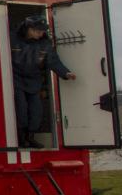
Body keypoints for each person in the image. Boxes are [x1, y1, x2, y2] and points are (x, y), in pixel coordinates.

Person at [11, 16, 75, 148]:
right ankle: (21, 138)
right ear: (29, 29)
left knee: (36, 111)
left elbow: (53, 60)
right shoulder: (12, 39)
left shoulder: (44, 43)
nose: (41, 33)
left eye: (43, 31)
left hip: (34, 81)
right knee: (21, 109)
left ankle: (31, 137)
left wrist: (66, 73)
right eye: (38, 31)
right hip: (15, 80)